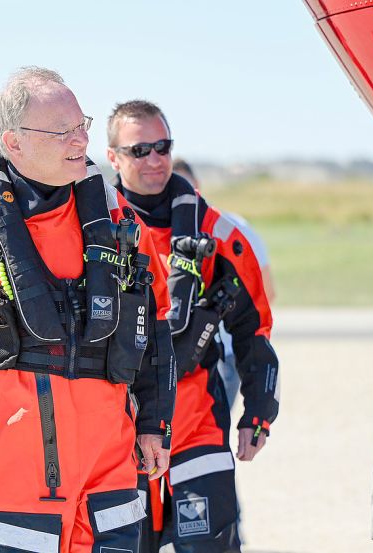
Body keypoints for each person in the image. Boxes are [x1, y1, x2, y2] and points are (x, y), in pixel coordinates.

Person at [0, 67, 177, 552]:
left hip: (109, 476)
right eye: (63, 130)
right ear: (14, 142)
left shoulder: (116, 219)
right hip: (15, 482)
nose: (81, 139)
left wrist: (155, 423)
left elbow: (153, 325)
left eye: (81, 125)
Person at [106, 100, 279, 553]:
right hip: (118, 431)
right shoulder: (93, 231)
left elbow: (254, 327)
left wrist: (258, 412)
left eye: (162, 147)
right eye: (139, 149)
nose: (155, 159)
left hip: (198, 421)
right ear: (113, 158)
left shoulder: (218, 233)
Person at [172, 158, 276, 409]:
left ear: (198, 184)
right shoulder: (160, 230)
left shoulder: (231, 228)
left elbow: (265, 291)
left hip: (223, 354)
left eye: (186, 185)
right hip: (173, 358)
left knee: (213, 435)